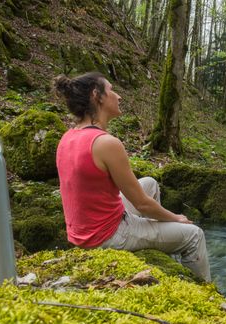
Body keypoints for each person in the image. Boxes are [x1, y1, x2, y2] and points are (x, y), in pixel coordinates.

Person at [53, 72, 211, 282]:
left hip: (82, 231)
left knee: (150, 183)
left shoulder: (68, 136)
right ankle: (205, 293)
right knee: (194, 235)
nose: (119, 96)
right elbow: (142, 204)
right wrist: (177, 218)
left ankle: (159, 243)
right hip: (107, 235)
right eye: (111, 90)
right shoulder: (106, 143)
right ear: (97, 95)